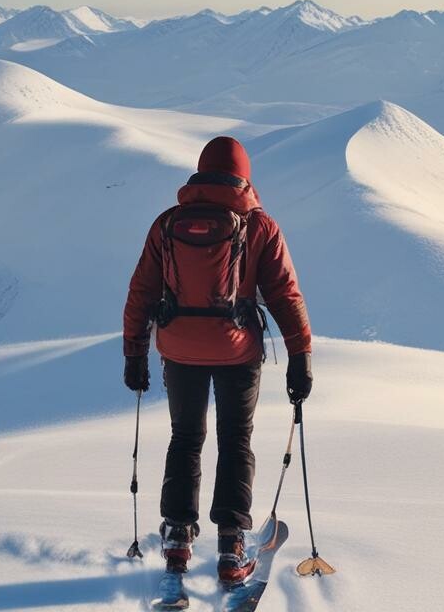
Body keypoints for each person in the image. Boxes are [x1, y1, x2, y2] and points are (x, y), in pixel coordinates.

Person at [122, 136, 313, 585]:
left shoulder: (168, 223)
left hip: (179, 346)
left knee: (185, 437)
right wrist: (299, 354)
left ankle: (177, 538)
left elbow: (141, 292)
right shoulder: (259, 226)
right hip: (236, 348)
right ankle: (231, 545)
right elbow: (285, 294)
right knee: (235, 438)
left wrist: (135, 351)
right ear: (244, 175)